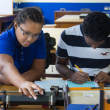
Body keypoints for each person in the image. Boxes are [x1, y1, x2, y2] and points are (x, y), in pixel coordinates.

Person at [0, 7, 47, 99]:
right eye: (26, 32)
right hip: (6, 89)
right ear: (16, 25)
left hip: (28, 87)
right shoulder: (4, 40)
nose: (30, 39)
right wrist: (21, 82)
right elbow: (6, 66)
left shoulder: (39, 36)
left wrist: (12, 80)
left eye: (35, 35)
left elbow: (38, 70)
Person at [55, 11, 110, 84]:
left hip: (106, 83)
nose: (94, 47)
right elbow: (59, 64)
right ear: (83, 32)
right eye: (89, 43)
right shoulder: (67, 35)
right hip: (77, 83)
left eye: (99, 44)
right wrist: (71, 75)